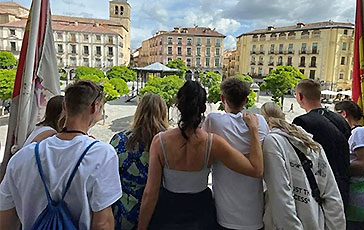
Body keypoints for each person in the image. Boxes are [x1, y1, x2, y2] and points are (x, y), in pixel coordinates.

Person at [138, 80, 263, 230]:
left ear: (178, 106)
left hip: (168, 211)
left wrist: (141, 227)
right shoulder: (212, 143)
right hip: (201, 213)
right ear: (204, 107)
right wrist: (254, 130)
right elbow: (255, 169)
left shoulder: (159, 142)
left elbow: (150, 193)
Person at [0, 80, 122, 230]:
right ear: (95, 107)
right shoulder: (102, 155)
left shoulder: (22, 157)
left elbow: (5, 220)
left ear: (64, 106)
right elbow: (103, 224)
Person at [261, 102, 346, 229]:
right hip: (316, 221)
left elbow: (281, 196)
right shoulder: (310, 142)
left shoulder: (272, 142)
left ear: (263, 121)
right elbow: (332, 195)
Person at [203, 77, 269, 230]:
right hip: (254, 215)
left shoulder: (214, 121)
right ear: (246, 100)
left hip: (226, 214)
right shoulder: (259, 121)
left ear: (222, 98)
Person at [110, 93, 170, 230]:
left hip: (123, 212)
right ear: (163, 113)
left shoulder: (119, 140)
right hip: (158, 212)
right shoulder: (168, 143)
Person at [293, 79, 351, 209]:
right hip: (343, 186)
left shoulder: (302, 122)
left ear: (300, 96)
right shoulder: (340, 120)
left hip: (321, 189)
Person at [335, 100, 364, 229]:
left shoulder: (359, 133)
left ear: (343, 114)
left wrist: (339, 167)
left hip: (362, 196)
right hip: (358, 195)